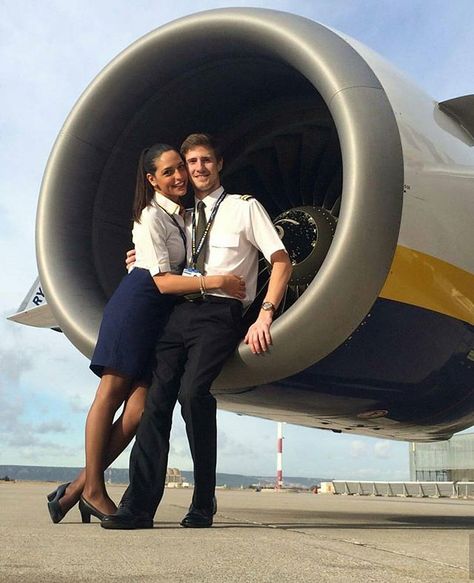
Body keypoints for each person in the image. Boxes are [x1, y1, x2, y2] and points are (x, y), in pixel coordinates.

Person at [46, 144, 245, 524]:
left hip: (161, 317)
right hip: (136, 310)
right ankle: (92, 490)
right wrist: (216, 281)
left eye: (179, 169)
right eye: (168, 172)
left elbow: (171, 265)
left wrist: (144, 256)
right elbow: (162, 281)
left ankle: (74, 488)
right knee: (109, 396)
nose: (179, 176)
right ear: (151, 179)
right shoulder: (151, 216)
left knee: (138, 412)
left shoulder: (182, 218)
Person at [101, 133, 292, 530]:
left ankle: (203, 500)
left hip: (221, 313)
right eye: (191, 162)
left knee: (192, 395)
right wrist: (139, 257)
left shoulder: (244, 207)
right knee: (155, 402)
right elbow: (161, 263)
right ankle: (137, 507)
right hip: (180, 312)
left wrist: (265, 314)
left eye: (206, 160)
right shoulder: (181, 219)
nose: (198, 168)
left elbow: (280, 259)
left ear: (219, 163)